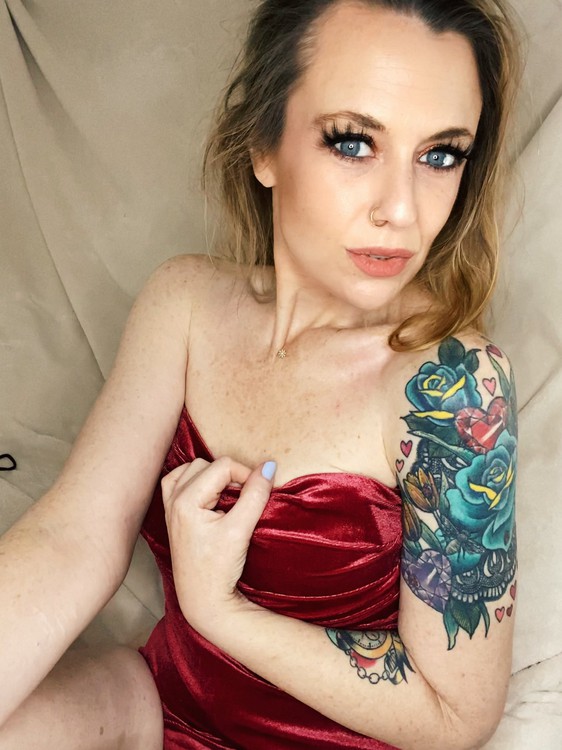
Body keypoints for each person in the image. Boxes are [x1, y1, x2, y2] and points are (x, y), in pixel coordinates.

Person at [0, 0, 523, 747]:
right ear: (263, 146)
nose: (402, 210)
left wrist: (223, 613)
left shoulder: (453, 387)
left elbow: (455, 715)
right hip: (164, 699)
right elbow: (74, 536)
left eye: (441, 155)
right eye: (354, 143)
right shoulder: (184, 302)